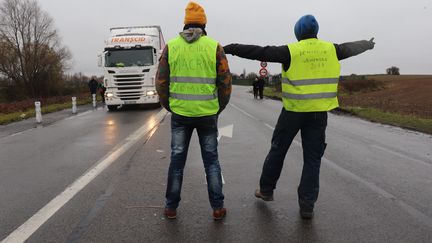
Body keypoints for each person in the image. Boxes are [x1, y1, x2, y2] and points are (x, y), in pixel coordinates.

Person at [224, 14, 375, 219]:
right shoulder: (333, 49)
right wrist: (367, 44)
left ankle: (266, 190)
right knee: (313, 159)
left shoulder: (290, 51)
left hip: (293, 112)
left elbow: (258, 50)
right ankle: (307, 205)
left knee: (278, 150)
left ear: (298, 32)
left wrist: (230, 47)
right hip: (318, 114)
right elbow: (351, 48)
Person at [156, 1, 232, 220]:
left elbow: (161, 81)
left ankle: (171, 207)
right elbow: (225, 83)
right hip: (208, 114)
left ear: (185, 22)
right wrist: (218, 108)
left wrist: (169, 105)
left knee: (177, 161)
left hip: (180, 115)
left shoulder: (172, 47)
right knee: (211, 161)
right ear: (204, 23)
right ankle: (217, 208)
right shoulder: (214, 47)